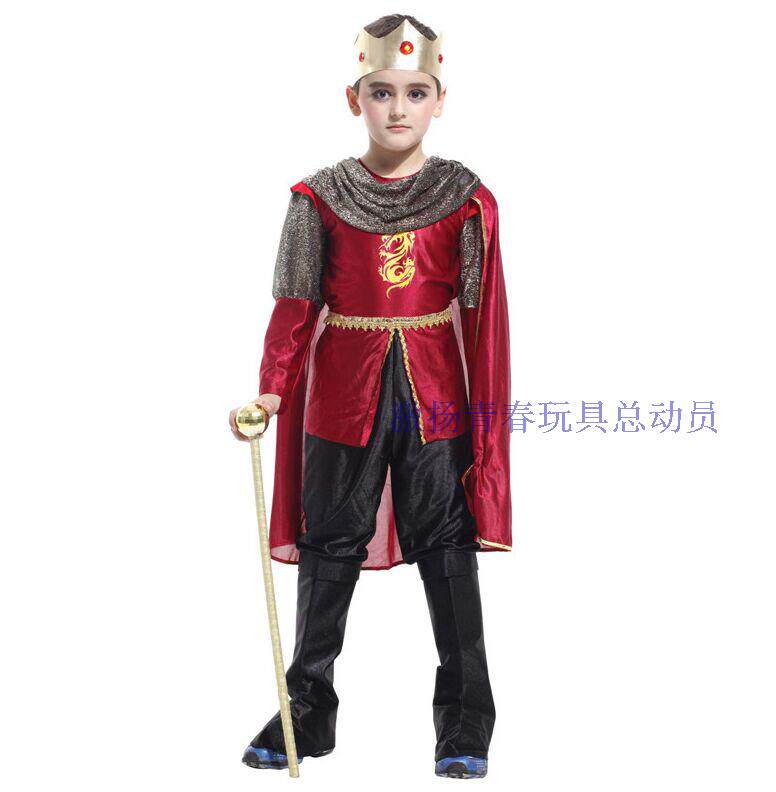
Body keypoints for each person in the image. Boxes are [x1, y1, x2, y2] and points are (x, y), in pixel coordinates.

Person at [229, 13, 512, 779]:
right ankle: (307, 708)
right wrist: (272, 392)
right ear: (354, 98)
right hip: (341, 393)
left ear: (440, 100)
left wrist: (487, 429)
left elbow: (484, 322)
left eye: (415, 92)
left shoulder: (465, 200)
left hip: (435, 394)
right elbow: (295, 307)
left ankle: (465, 719)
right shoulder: (318, 197)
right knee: (329, 546)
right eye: (381, 91)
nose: (397, 108)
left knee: (446, 549)